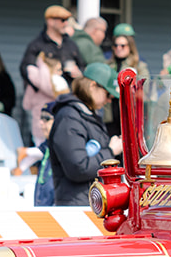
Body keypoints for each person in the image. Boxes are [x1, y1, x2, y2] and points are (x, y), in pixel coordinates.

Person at [47, 63, 118, 207]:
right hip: (76, 207)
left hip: (89, 202)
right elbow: (77, 168)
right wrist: (111, 152)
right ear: (93, 86)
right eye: (108, 94)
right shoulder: (69, 117)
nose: (109, 100)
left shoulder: (87, 115)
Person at [21, 4, 83, 90]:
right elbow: (26, 70)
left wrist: (78, 73)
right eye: (63, 20)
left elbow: (82, 65)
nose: (66, 23)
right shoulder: (37, 45)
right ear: (50, 21)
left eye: (67, 20)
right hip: (45, 97)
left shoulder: (71, 44)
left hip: (68, 94)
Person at [22, 52, 70, 145]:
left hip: (37, 123)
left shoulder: (33, 83)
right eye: (58, 69)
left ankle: (26, 153)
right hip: (55, 122)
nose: (60, 73)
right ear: (50, 69)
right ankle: (26, 153)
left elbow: (26, 105)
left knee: (40, 149)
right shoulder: (60, 84)